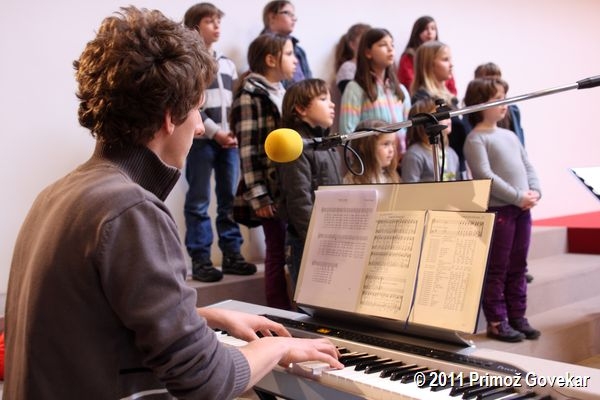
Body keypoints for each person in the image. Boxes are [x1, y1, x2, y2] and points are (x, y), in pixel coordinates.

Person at [3, 7, 342, 399]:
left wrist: (202, 316)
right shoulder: (130, 209)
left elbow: (97, 319)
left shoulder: (59, 194)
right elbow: (206, 380)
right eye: (197, 109)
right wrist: (278, 346)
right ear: (169, 117)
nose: (198, 127)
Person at [463, 77, 542, 343]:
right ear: (479, 104)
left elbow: (527, 165)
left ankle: (518, 316)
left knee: (519, 265)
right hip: (500, 212)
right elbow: (485, 176)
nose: (504, 104)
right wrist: (518, 196)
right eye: (497, 99)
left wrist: (535, 190)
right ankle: (497, 321)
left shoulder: (509, 135)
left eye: (504, 97)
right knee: (498, 267)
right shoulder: (476, 139)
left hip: (522, 210)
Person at [182, 3, 256, 283]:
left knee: (229, 200)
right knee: (199, 200)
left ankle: (232, 254)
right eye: (210, 21)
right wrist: (215, 132)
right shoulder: (189, 61)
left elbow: (234, 101)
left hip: (229, 142)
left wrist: (233, 131)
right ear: (194, 26)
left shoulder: (226, 63)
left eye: (218, 21)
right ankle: (201, 259)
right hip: (202, 140)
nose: (217, 26)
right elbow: (191, 103)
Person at [230, 33, 297, 310]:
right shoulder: (250, 96)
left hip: (289, 185)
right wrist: (259, 195)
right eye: (289, 54)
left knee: (292, 248)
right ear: (271, 60)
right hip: (270, 190)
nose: (295, 60)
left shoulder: (284, 91)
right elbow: (248, 150)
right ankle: (279, 311)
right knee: (276, 251)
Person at [277, 78, 342, 289]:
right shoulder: (296, 147)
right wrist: (317, 241)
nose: (332, 104)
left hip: (332, 237)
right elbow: (299, 201)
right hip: (308, 241)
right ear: (301, 109)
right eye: (323, 99)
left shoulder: (326, 144)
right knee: (312, 299)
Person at [339, 28, 411, 159]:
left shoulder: (400, 90)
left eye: (392, 45)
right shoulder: (355, 89)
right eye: (383, 45)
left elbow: (409, 127)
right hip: (370, 162)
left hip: (400, 161)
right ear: (368, 52)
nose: (390, 49)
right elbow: (347, 133)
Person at [411, 40, 467, 178]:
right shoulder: (423, 101)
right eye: (445, 60)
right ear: (429, 64)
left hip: (455, 164)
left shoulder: (450, 98)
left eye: (450, 59)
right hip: (439, 167)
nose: (451, 64)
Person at [401, 98, 460, 182]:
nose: (448, 118)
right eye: (441, 114)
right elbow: (410, 186)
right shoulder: (414, 154)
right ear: (426, 123)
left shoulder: (452, 153)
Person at [397, 16, 457, 96]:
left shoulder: (442, 52)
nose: (430, 32)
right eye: (425, 29)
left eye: (433, 28)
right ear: (417, 32)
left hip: (443, 97)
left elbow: (451, 87)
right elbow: (410, 83)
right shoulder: (409, 56)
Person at [472, 62, 525, 146]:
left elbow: (520, 144)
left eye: (497, 79)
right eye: (487, 80)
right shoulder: (472, 113)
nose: (493, 83)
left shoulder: (513, 111)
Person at [261, 0, 311, 87]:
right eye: (287, 13)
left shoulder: (299, 51)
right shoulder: (261, 48)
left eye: (293, 15)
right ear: (272, 17)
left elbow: (309, 82)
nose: (294, 19)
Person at [343, 119, 401, 184]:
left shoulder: (391, 177)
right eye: (386, 144)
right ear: (364, 147)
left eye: (392, 144)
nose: (391, 150)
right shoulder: (353, 181)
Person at [334, 23, 371, 95]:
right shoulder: (348, 67)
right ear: (352, 45)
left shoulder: (375, 65)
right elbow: (351, 95)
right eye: (364, 41)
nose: (369, 45)